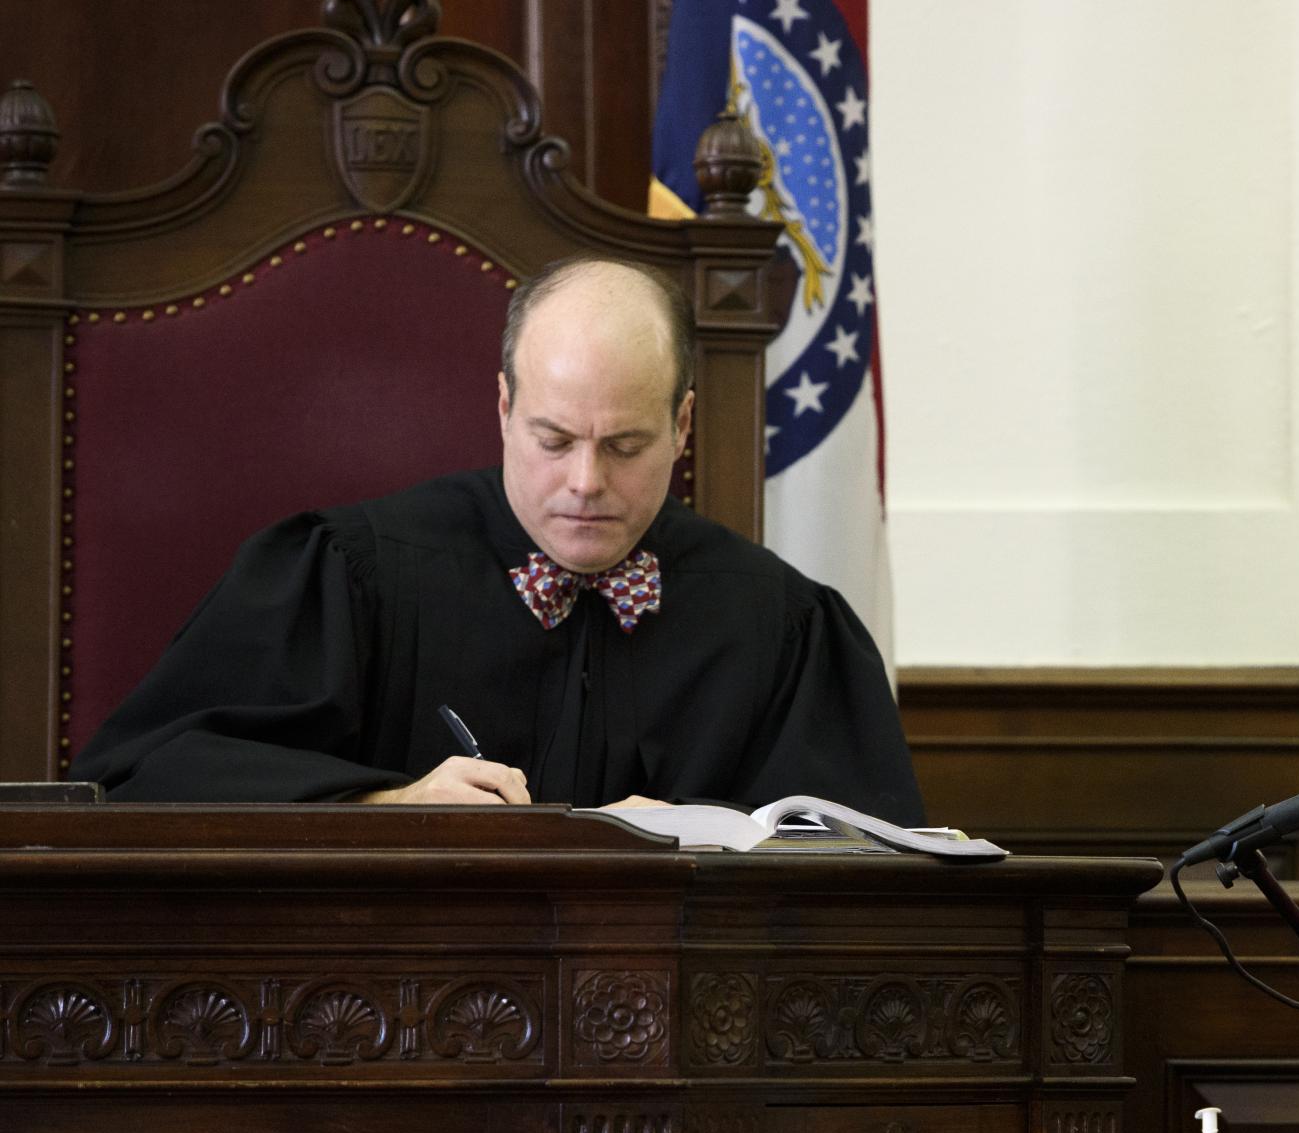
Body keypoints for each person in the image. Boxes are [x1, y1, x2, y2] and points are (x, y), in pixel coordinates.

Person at [71, 257, 923, 822]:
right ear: (505, 409)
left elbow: (865, 869)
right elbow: (145, 772)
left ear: (683, 424)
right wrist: (388, 803)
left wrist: (714, 843)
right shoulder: (353, 574)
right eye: (554, 440)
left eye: (624, 445)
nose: (586, 481)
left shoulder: (780, 625)